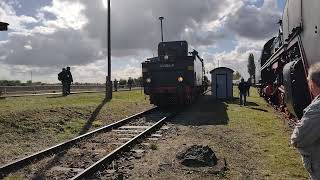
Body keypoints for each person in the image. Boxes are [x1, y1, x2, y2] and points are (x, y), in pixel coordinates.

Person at [291, 63, 320, 180]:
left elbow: (298, 139)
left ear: (312, 83)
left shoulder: (317, 109)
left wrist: (297, 133)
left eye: (308, 81)